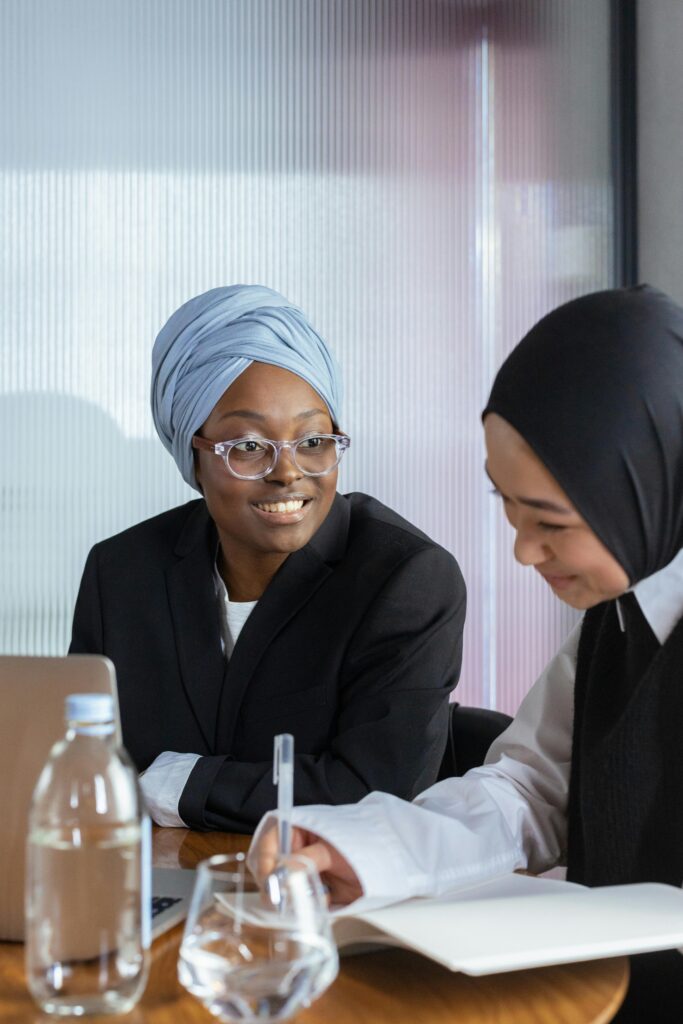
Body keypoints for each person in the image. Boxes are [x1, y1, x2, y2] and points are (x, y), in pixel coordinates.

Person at [251, 285, 683, 1020]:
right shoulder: (616, 615)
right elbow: (530, 788)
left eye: (549, 521)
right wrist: (360, 849)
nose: (522, 551)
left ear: (649, 488)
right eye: (506, 507)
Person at [69, 285, 466, 833]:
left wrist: (174, 784)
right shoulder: (121, 574)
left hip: (325, 899)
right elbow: (78, 768)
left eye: (313, 440)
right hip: (151, 891)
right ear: (193, 453)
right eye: (249, 446)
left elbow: (377, 793)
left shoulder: (405, 580)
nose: (288, 472)